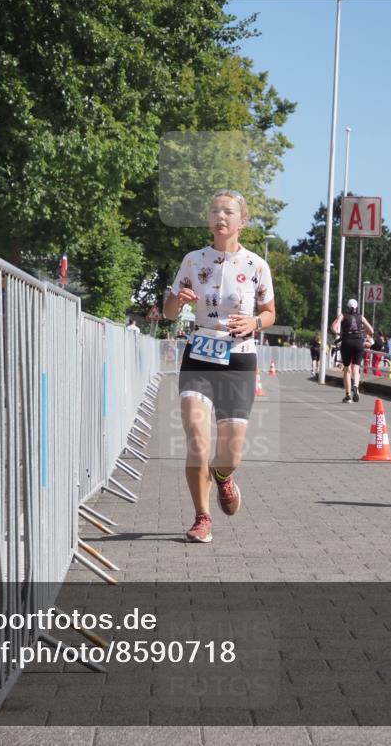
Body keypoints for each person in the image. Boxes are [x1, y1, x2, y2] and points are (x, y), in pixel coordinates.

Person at [164, 189, 276, 543]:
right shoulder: (193, 261)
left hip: (238, 358)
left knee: (231, 453)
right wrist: (178, 301)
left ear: (243, 221)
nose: (220, 216)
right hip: (199, 352)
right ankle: (202, 517)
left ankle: (224, 477)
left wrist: (254, 323)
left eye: (228, 211)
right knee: (197, 440)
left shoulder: (256, 265)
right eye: (214, 210)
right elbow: (169, 312)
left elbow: (269, 313)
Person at [330, 298, 373, 403]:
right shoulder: (360, 316)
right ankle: (356, 386)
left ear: (347, 307)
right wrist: (362, 331)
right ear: (357, 307)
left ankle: (348, 395)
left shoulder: (343, 315)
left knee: (347, 369)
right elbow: (371, 331)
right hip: (358, 342)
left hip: (347, 342)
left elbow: (333, 327)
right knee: (356, 368)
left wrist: (339, 333)